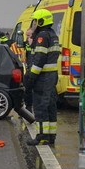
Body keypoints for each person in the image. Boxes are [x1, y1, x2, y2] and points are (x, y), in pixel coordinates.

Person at [25, 9, 60, 146]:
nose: (34, 24)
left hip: (42, 78)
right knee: (50, 107)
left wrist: (31, 77)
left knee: (40, 107)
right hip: (51, 77)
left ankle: (42, 136)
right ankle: (51, 136)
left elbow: (39, 59)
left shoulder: (42, 36)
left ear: (41, 21)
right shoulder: (53, 35)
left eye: (35, 21)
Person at [23, 27, 35, 112]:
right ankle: (28, 108)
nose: (27, 38)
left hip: (34, 70)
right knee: (27, 90)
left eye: (29, 36)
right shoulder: (25, 44)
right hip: (27, 70)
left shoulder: (37, 45)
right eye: (26, 36)